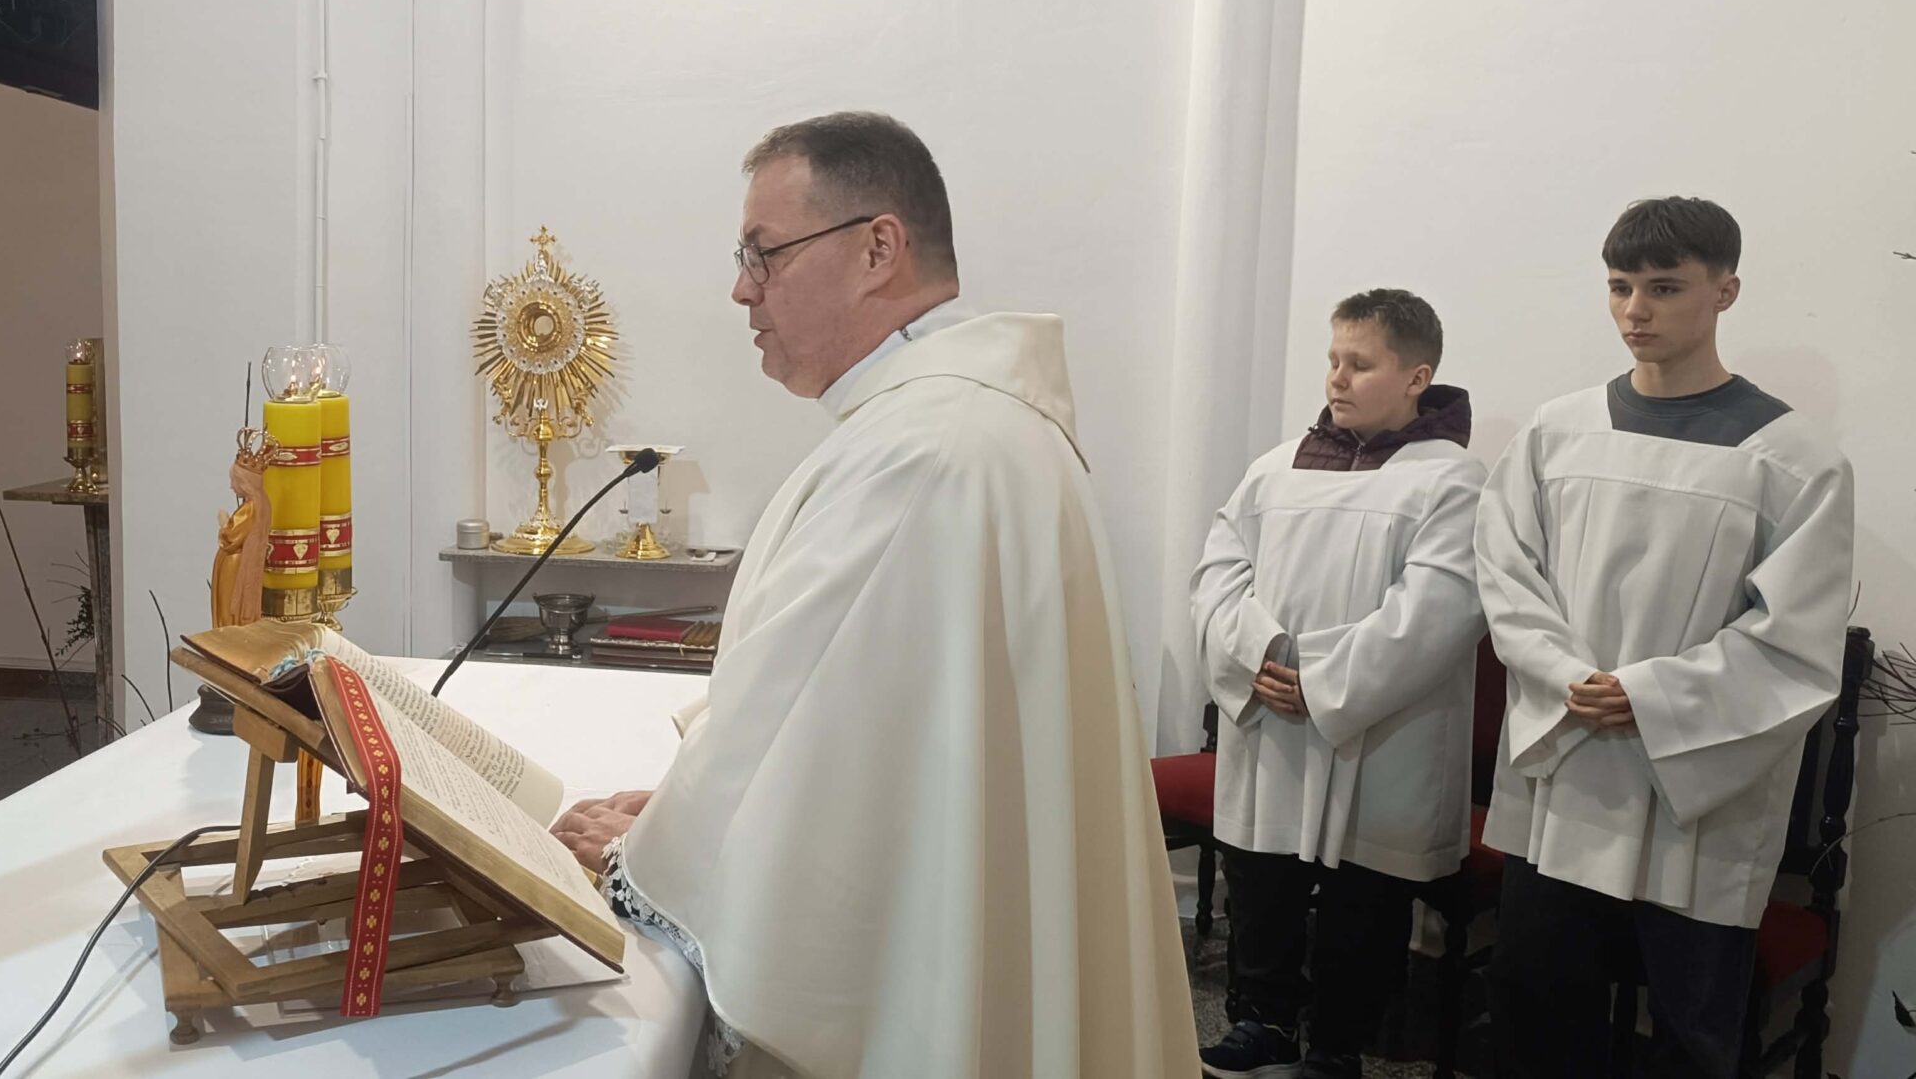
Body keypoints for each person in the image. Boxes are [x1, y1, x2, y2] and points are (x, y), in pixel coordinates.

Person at [547, 112, 1195, 1078]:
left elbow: (822, 758)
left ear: (877, 249)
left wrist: (654, 850)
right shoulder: (962, 423)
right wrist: (686, 807)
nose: (742, 288)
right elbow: (873, 746)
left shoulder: (920, 454)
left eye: (764, 253)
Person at [1476, 197, 1855, 1078]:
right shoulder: (1556, 432)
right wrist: (1567, 673)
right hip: (1567, 760)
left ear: (1725, 290)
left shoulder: (1793, 458)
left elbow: (1795, 639)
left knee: (1691, 1032)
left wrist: (1647, 695)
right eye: (1620, 287)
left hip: (1697, 786)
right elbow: (1504, 571)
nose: (1635, 310)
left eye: (1664, 287)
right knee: (1537, 1006)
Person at [1189, 289, 1486, 1079]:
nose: (1338, 377)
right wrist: (1257, 653)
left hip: (1382, 723)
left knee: (1365, 891)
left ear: (1417, 376)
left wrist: (1320, 680)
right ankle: (1263, 1021)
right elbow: (1218, 572)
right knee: (1263, 876)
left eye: (1361, 363)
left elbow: (1438, 609)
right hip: (1271, 711)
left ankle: (1338, 1041)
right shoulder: (1275, 467)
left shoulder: (1452, 479)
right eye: (1333, 359)